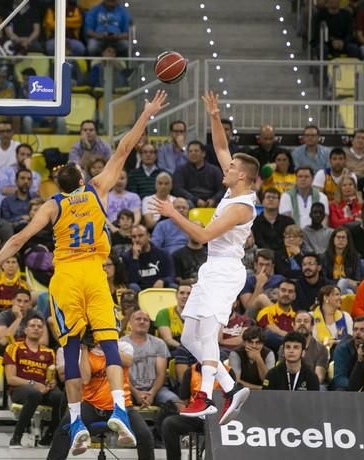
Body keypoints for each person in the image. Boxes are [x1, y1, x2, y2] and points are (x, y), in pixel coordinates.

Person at [0, 90, 168, 454]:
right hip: (96, 273)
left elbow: (17, 239)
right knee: (110, 345)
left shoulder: (52, 205)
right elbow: (125, 149)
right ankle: (121, 413)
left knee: (72, 348)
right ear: (80, 178)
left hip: (66, 277)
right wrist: (145, 115)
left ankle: (78, 421)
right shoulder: (96, 190)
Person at [149, 90, 258, 423]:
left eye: (231, 169)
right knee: (188, 336)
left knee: (208, 335)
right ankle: (229, 386)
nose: (223, 167)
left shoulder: (241, 206)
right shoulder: (233, 186)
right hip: (214, 268)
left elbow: (203, 235)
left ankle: (205, 397)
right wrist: (213, 114)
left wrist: (173, 212)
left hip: (225, 271)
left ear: (241, 175)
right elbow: (223, 148)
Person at [47, 334, 154, 460]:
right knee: (64, 429)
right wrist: (85, 349)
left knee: (144, 434)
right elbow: (85, 379)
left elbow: (128, 361)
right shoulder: (84, 352)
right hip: (92, 405)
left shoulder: (123, 346)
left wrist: (106, 344)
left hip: (121, 405)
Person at [4, 315, 61, 448]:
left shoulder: (49, 352)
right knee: (34, 394)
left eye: (40, 326)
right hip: (20, 389)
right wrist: (33, 384)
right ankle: (16, 438)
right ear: (25, 330)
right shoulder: (14, 347)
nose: (36, 328)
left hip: (43, 389)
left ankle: (48, 437)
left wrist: (52, 383)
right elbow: (10, 378)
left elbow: (51, 377)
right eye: (32, 326)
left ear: (43, 331)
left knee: (60, 397)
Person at [121, 310, 182, 409]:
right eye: (138, 319)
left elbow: (161, 374)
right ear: (130, 322)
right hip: (128, 388)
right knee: (115, 403)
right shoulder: (121, 344)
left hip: (157, 389)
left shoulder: (159, 343)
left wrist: (152, 393)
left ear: (149, 324)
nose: (142, 322)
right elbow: (121, 374)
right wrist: (136, 393)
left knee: (178, 404)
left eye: (146, 320)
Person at [280, 311, 329, 384]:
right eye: (299, 321)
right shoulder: (283, 348)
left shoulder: (321, 349)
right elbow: (281, 374)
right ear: (293, 325)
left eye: (306, 321)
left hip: (310, 387)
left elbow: (318, 379)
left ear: (312, 326)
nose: (302, 323)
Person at [172, 141, 224, 208]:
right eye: (190, 151)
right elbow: (178, 189)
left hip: (211, 202)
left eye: (196, 151)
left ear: (203, 153)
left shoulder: (215, 170)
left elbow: (221, 190)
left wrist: (214, 199)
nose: (193, 153)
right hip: (190, 201)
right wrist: (195, 200)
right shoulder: (180, 170)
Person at [123, 224, 176, 291]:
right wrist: (135, 258)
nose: (137, 239)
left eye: (140, 235)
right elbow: (131, 281)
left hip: (160, 289)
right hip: (140, 291)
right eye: (134, 237)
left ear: (148, 236)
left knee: (173, 286)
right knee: (133, 286)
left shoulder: (163, 253)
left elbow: (171, 275)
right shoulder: (126, 257)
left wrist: (163, 281)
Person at [330, 316, 364, 390]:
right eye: (355, 329)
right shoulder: (342, 349)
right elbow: (340, 379)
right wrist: (356, 388)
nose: (358, 333)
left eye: (362, 330)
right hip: (349, 388)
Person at [239, 249, 286, 315]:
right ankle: (281, 317)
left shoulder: (280, 279)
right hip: (254, 316)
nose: (264, 268)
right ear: (255, 265)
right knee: (262, 298)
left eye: (267, 265)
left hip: (274, 311)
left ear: (272, 266)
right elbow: (248, 308)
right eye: (261, 264)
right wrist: (259, 284)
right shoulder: (247, 281)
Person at [256, 279, 297, 352]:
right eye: (283, 290)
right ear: (277, 293)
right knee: (270, 336)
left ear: (294, 296)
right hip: (269, 351)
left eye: (290, 291)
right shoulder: (266, 312)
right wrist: (294, 339)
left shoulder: (296, 317)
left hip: (293, 353)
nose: (286, 294)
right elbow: (274, 331)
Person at [321, 227, 362, 293]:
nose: (341, 240)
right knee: (347, 290)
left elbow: (357, 278)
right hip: (330, 287)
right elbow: (323, 279)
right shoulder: (324, 257)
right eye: (338, 237)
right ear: (333, 240)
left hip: (351, 286)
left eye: (343, 238)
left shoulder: (355, 256)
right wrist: (342, 281)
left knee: (345, 285)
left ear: (348, 241)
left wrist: (346, 282)